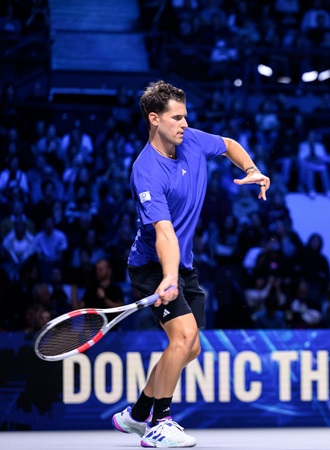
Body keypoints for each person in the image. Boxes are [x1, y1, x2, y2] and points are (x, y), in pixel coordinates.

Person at [112, 80, 270, 448]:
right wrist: (168, 278)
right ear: (154, 119)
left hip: (183, 265)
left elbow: (229, 144)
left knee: (190, 347)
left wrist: (251, 168)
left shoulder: (193, 140)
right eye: (177, 117)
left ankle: (135, 415)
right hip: (152, 264)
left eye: (186, 117)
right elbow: (164, 233)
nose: (184, 123)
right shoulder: (146, 170)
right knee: (182, 339)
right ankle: (159, 423)